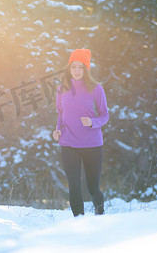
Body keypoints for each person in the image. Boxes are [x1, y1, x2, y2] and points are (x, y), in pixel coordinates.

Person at [53, 49, 109, 217]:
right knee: (74, 185)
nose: (76, 71)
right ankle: (79, 220)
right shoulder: (61, 89)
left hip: (92, 144)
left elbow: (105, 115)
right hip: (68, 143)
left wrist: (93, 122)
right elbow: (61, 113)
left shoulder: (96, 88)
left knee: (93, 188)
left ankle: (100, 215)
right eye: (73, 67)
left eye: (81, 67)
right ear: (69, 68)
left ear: (86, 69)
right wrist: (57, 130)